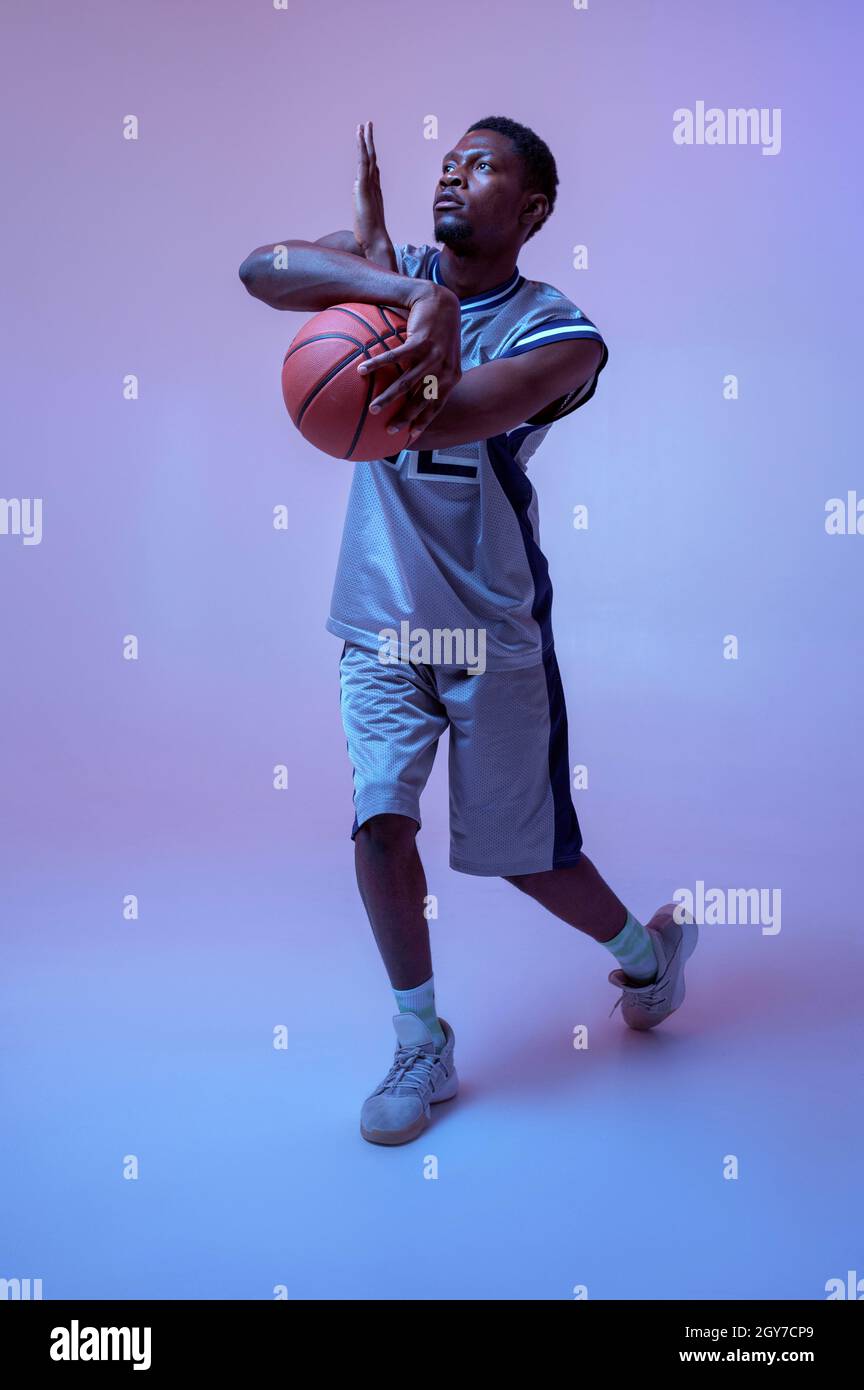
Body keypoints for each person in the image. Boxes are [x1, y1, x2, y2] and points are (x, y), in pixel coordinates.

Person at [239, 117, 698, 1146]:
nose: (454, 172)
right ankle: (419, 1038)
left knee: (528, 858)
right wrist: (407, 293)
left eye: (482, 166)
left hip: (489, 628)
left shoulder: (562, 332)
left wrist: (384, 310)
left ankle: (645, 959)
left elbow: (433, 415)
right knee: (379, 818)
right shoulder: (394, 276)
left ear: (531, 210)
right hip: (383, 615)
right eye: (448, 160)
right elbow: (258, 269)